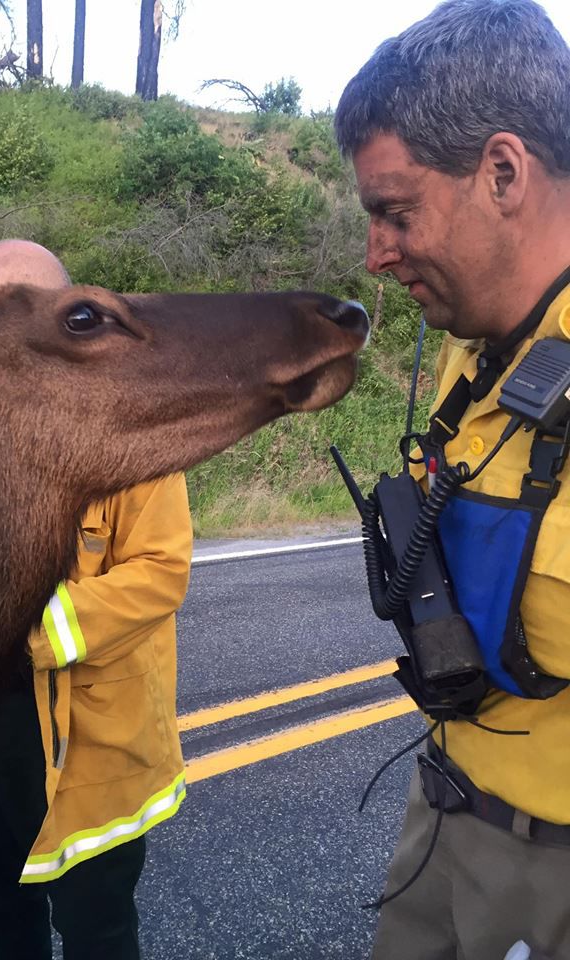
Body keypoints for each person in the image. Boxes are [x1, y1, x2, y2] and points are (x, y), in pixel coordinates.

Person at [334, 2, 570, 958]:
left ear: (504, 172)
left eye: (396, 211)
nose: (377, 257)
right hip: (441, 816)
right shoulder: (478, 359)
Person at [0, 239, 194, 960]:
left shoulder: (135, 426)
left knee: (97, 935)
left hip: (85, 755)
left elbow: (161, 569)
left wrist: (22, 626)